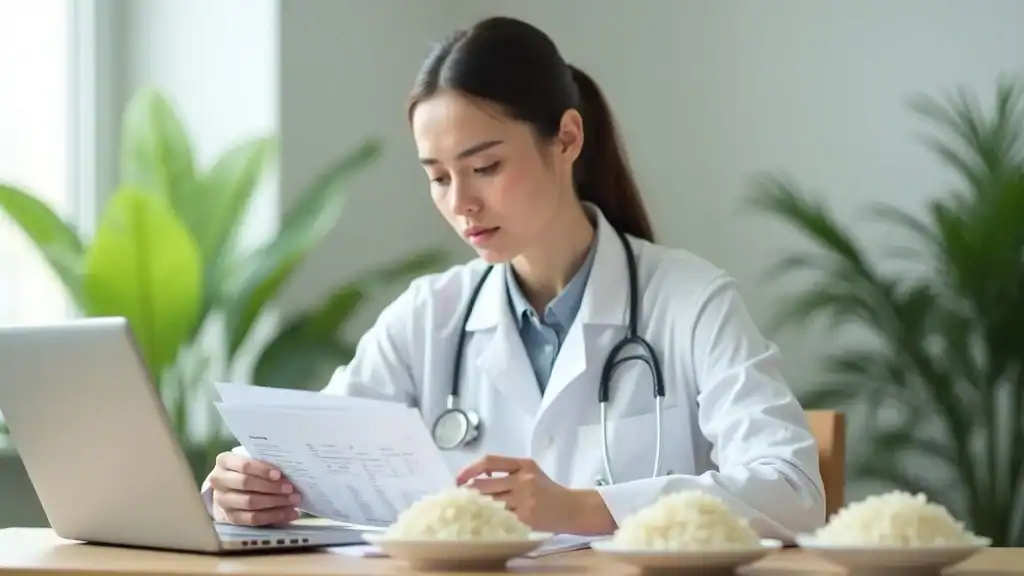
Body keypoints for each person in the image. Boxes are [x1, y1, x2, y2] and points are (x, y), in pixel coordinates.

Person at [202, 15, 825, 541]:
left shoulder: (689, 302)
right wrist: (246, 485)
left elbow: (793, 489)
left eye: (486, 166)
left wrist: (584, 508)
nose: (461, 203)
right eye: (439, 177)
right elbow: (315, 458)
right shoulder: (428, 315)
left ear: (567, 139)